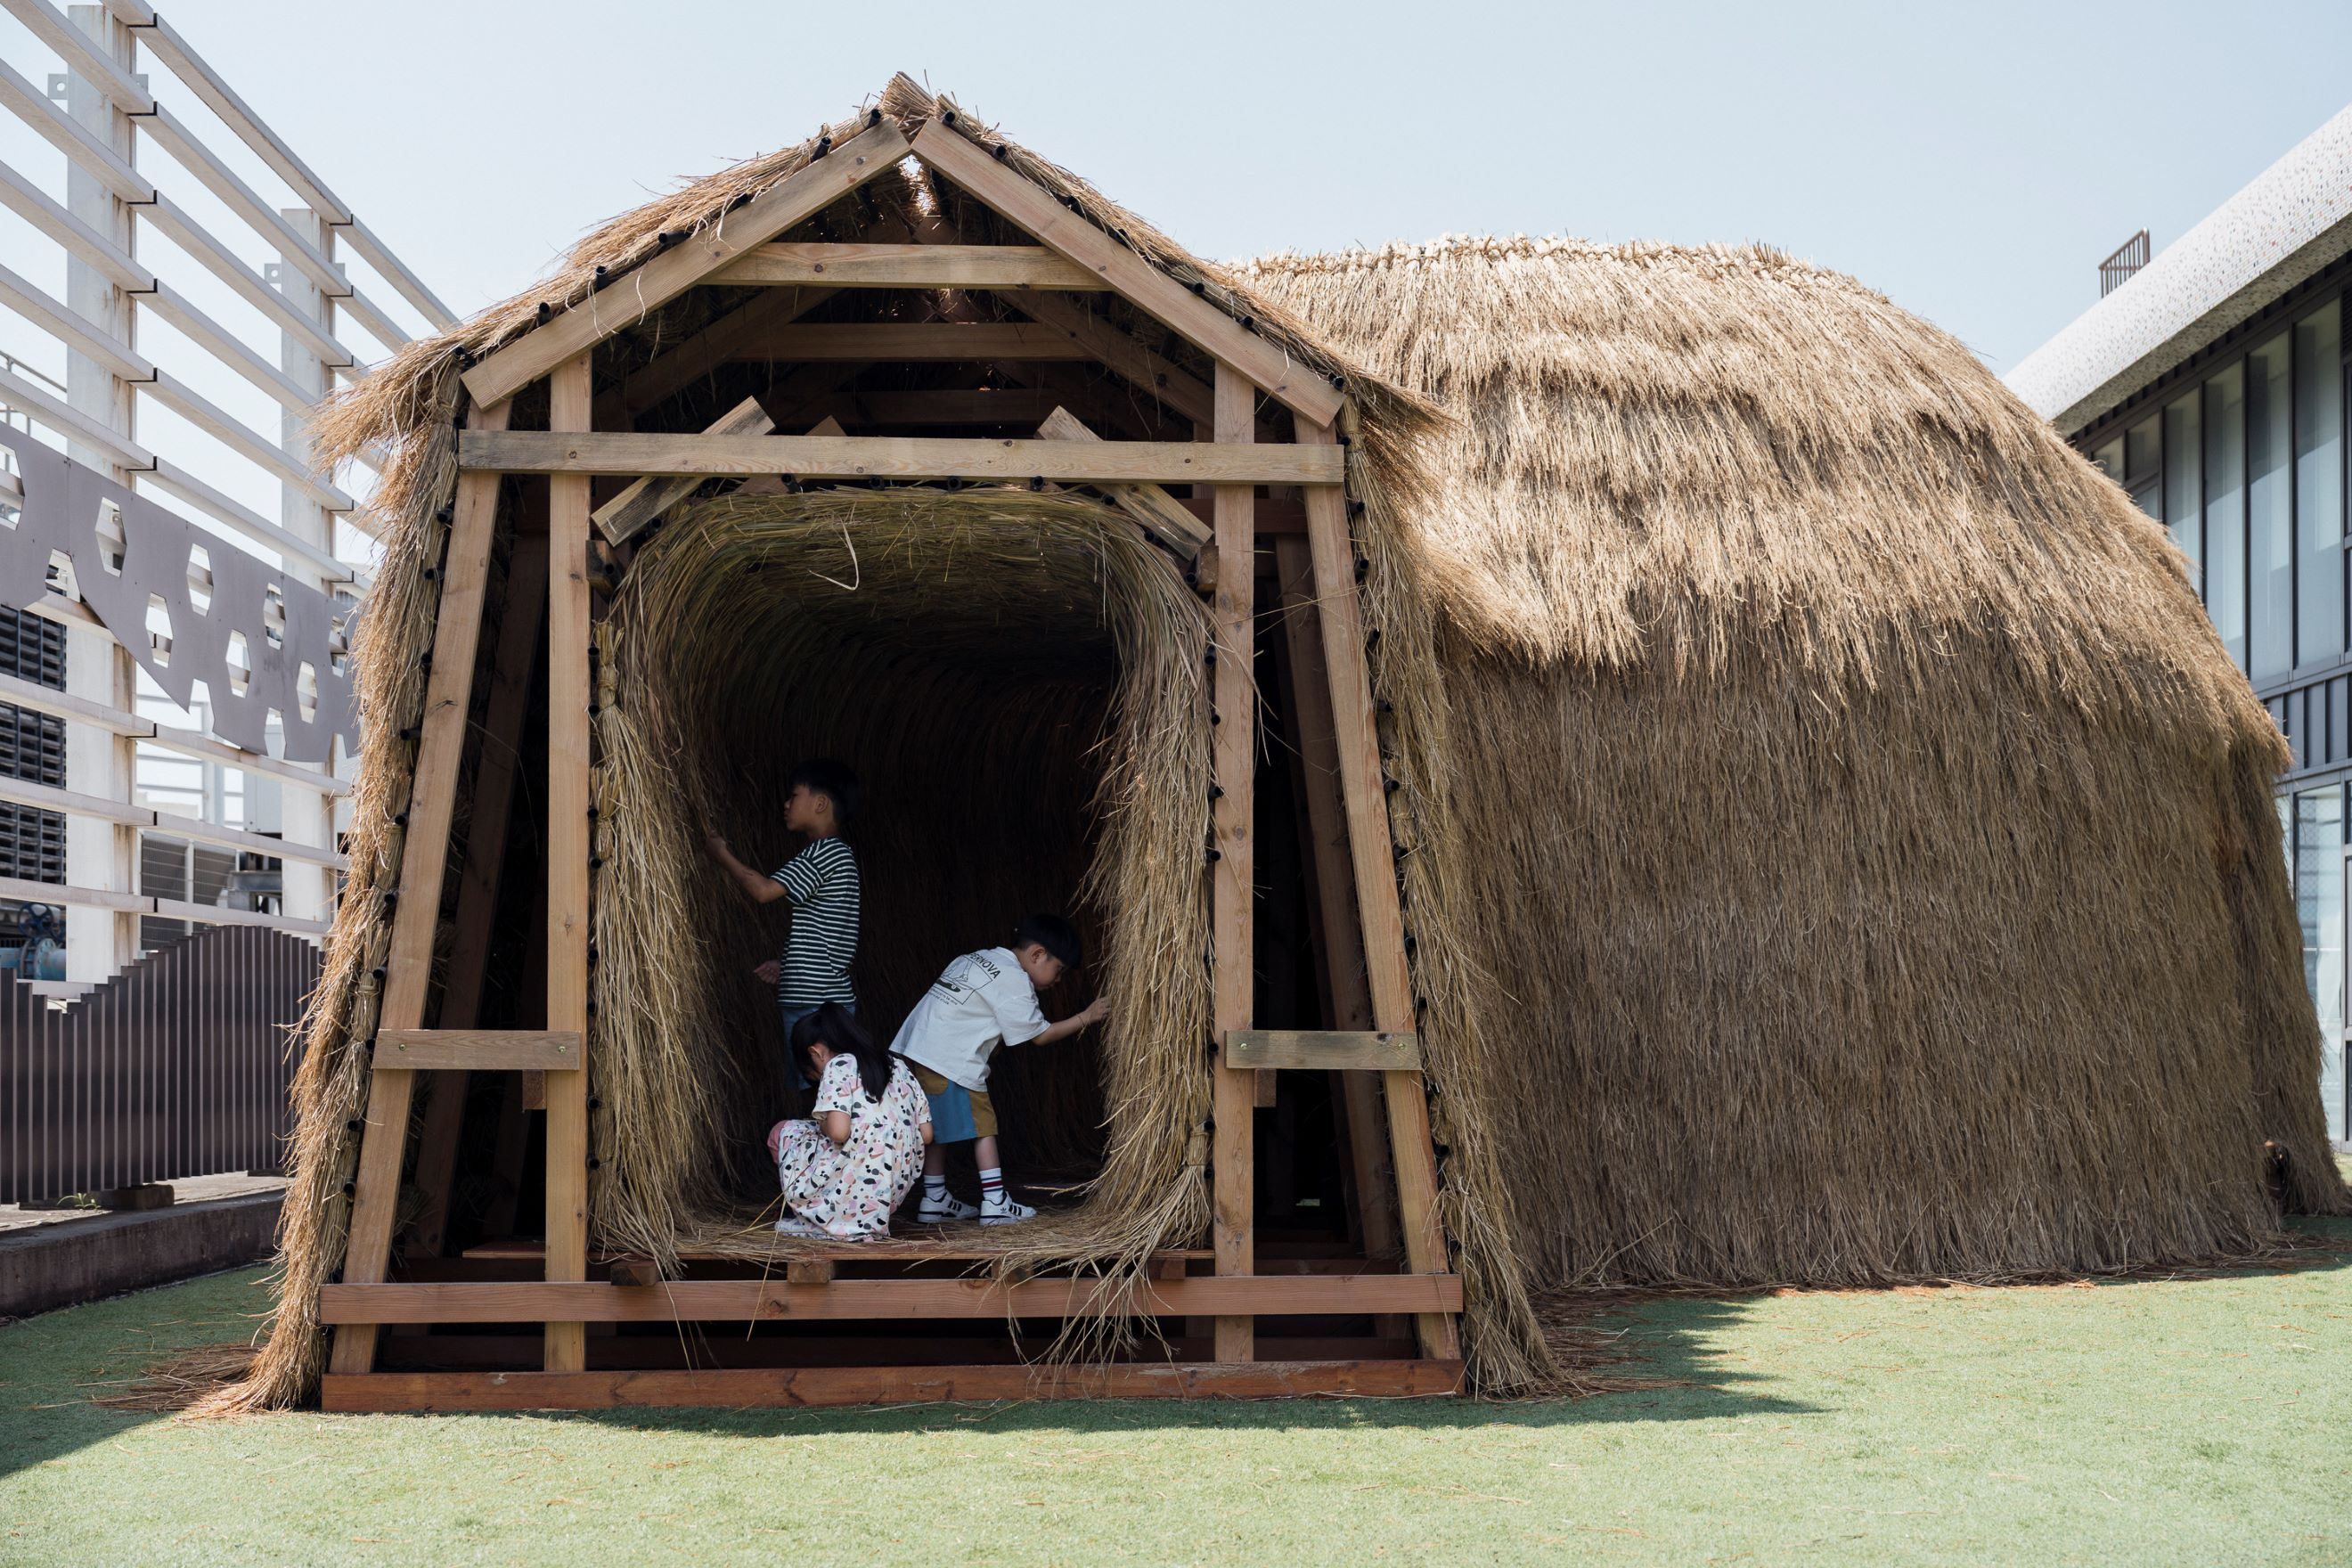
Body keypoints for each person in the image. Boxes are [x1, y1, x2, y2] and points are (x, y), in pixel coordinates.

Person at [890, 914, 1109, 1225]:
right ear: (1037, 954)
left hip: (918, 1051)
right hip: (950, 1059)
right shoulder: (1015, 981)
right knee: (984, 1127)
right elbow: (1040, 1035)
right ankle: (995, 1202)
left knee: (934, 1126)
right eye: (1058, 970)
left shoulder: (978, 958)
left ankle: (934, 1198)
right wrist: (1087, 1016)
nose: (1057, 981)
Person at [702, 758, 862, 1084]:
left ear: (820, 803)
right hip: (819, 997)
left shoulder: (824, 853)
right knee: (822, 1092)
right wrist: (789, 964)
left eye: (794, 796)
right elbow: (825, 933)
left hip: (817, 1005)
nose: (786, 805)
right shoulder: (837, 855)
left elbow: (763, 891)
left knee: (823, 1095)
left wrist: (722, 855)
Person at [767, 1002, 932, 1240]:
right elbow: (926, 1135)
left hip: (853, 1185)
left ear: (816, 1052)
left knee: (782, 1131)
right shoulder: (898, 1065)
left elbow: (838, 1132)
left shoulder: (838, 1065)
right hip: (890, 1188)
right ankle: (859, 1217)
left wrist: (822, 1122)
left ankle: (821, 1219)